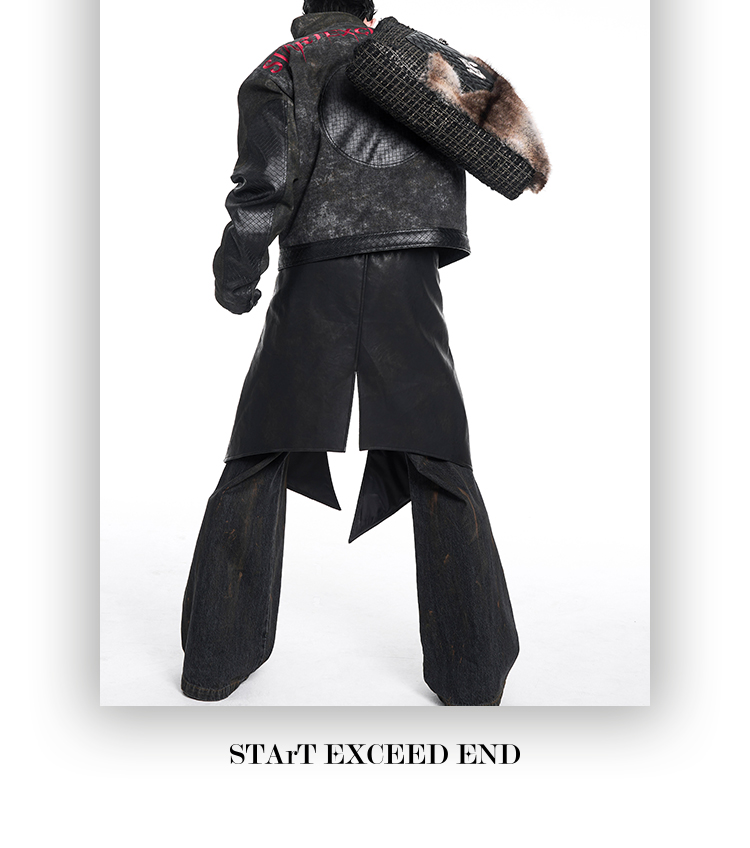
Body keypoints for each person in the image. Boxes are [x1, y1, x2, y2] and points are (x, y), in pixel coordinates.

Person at [180, 0, 519, 705]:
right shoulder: (420, 60)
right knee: (437, 452)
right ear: (369, 7)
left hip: (319, 273)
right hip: (412, 275)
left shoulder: (284, 66)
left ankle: (215, 660)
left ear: (307, 7)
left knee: (259, 452)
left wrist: (235, 274)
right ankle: (475, 672)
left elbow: (264, 185)